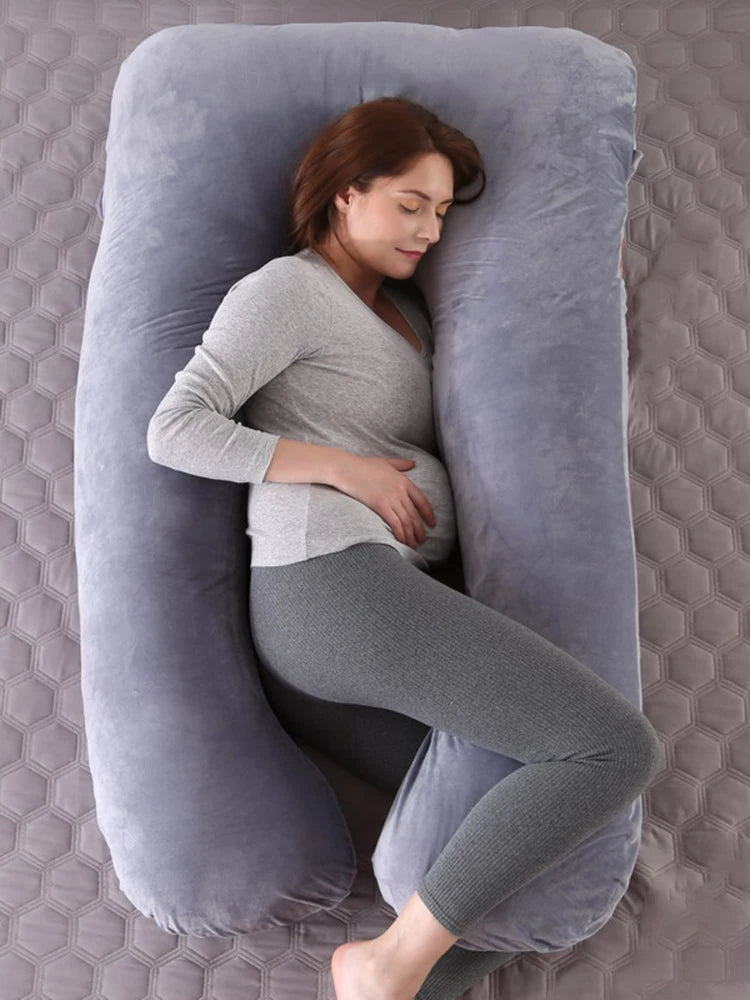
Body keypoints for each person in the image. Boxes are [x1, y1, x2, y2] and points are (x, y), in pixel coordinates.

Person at [149, 96, 661, 1000]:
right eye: (409, 203)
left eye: (441, 211)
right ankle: (387, 963)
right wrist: (345, 470)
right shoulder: (286, 292)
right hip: (330, 584)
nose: (429, 228)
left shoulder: (408, 313)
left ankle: (389, 981)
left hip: (371, 613)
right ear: (345, 196)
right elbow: (176, 426)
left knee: (532, 853)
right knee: (612, 750)